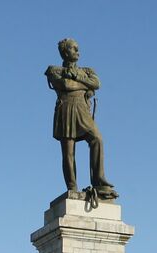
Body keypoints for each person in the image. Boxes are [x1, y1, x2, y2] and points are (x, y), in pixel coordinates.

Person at [45, 38, 117, 199]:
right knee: (69, 153)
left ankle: (99, 181)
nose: (78, 52)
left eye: (78, 49)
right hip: (66, 110)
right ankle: (72, 187)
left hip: (82, 111)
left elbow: (97, 83)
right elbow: (65, 86)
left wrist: (77, 77)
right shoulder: (54, 70)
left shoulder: (87, 70)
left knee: (97, 139)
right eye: (74, 49)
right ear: (65, 52)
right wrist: (86, 85)